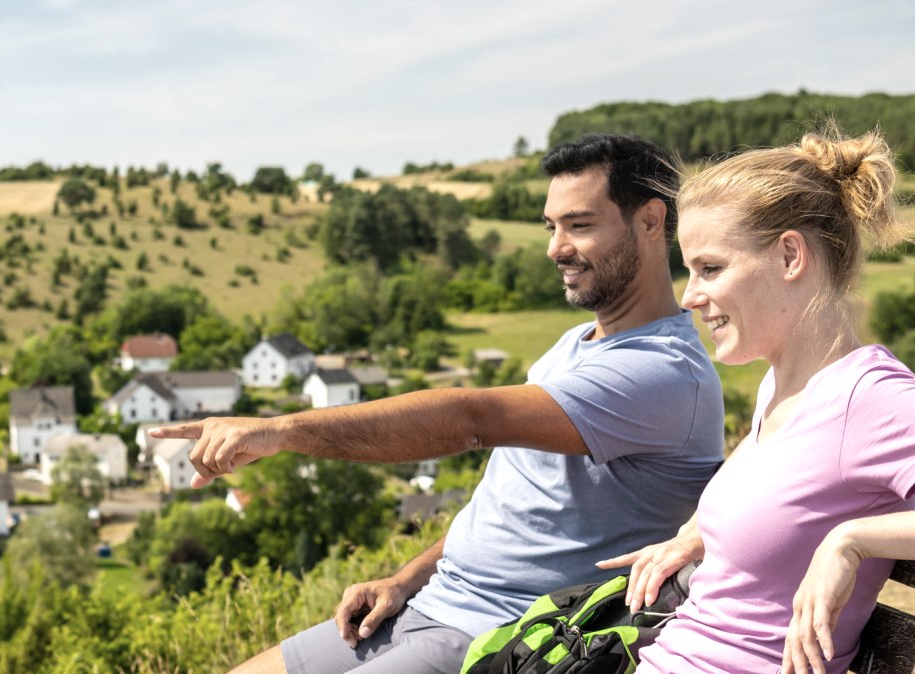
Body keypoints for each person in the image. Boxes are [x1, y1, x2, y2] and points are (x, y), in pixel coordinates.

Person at [150, 134, 727, 674]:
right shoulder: (574, 345)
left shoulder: (663, 372)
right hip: (427, 601)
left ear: (650, 221)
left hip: (501, 634)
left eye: (579, 225)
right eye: (551, 226)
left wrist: (282, 431)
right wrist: (406, 579)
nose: (556, 248)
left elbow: (469, 420)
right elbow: (510, 503)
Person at [603, 128, 915, 674]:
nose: (689, 295)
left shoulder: (871, 399)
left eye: (710, 268)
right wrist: (695, 534)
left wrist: (852, 540)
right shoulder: (783, 386)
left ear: (790, 256)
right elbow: (781, 487)